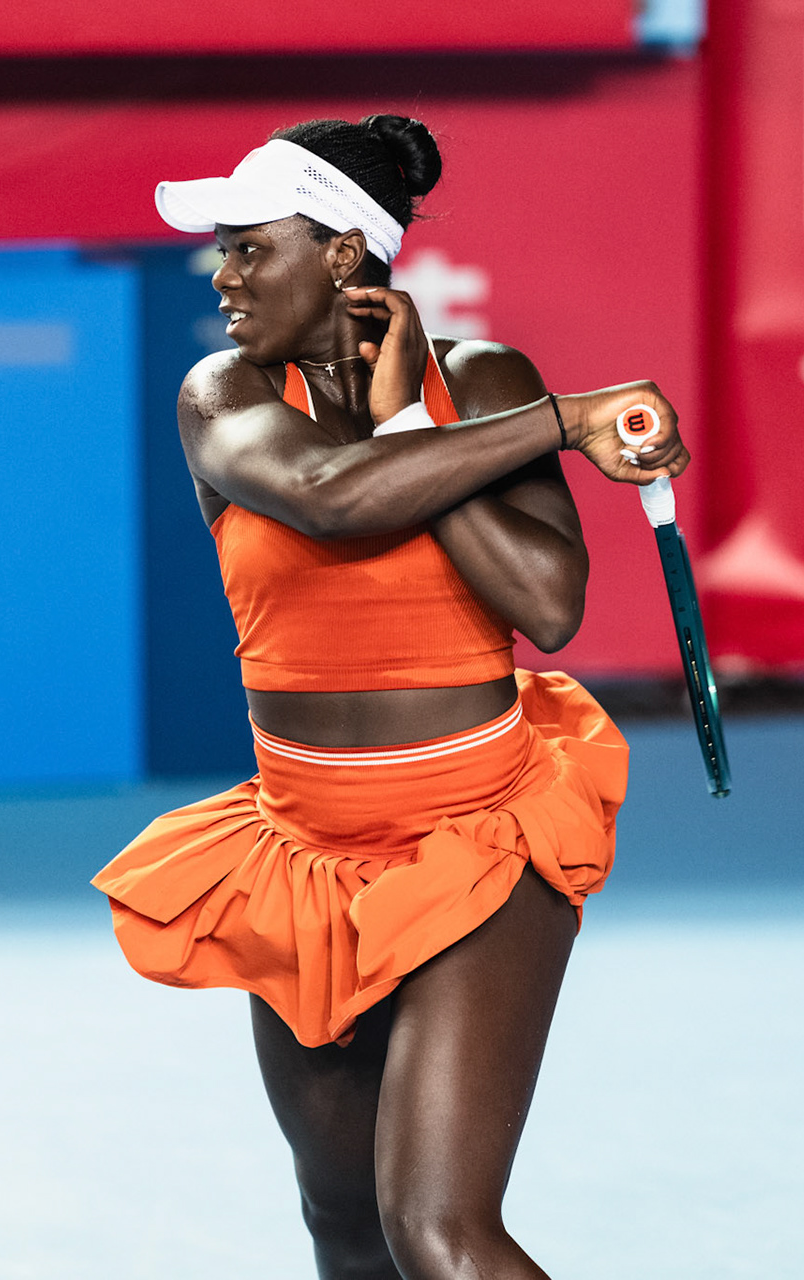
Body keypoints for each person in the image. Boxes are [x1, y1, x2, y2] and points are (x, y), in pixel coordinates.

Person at [91, 114, 687, 1280]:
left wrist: (418, 411)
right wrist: (567, 423)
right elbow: (326, 491)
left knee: (441, 1235)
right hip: (309, 854)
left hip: (485, 836)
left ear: (345, 257)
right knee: (347, 1223)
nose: (223, 274)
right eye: (223, 249)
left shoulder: (485, 383)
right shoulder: (221, 395)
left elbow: (547, 602)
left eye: (251, 246)